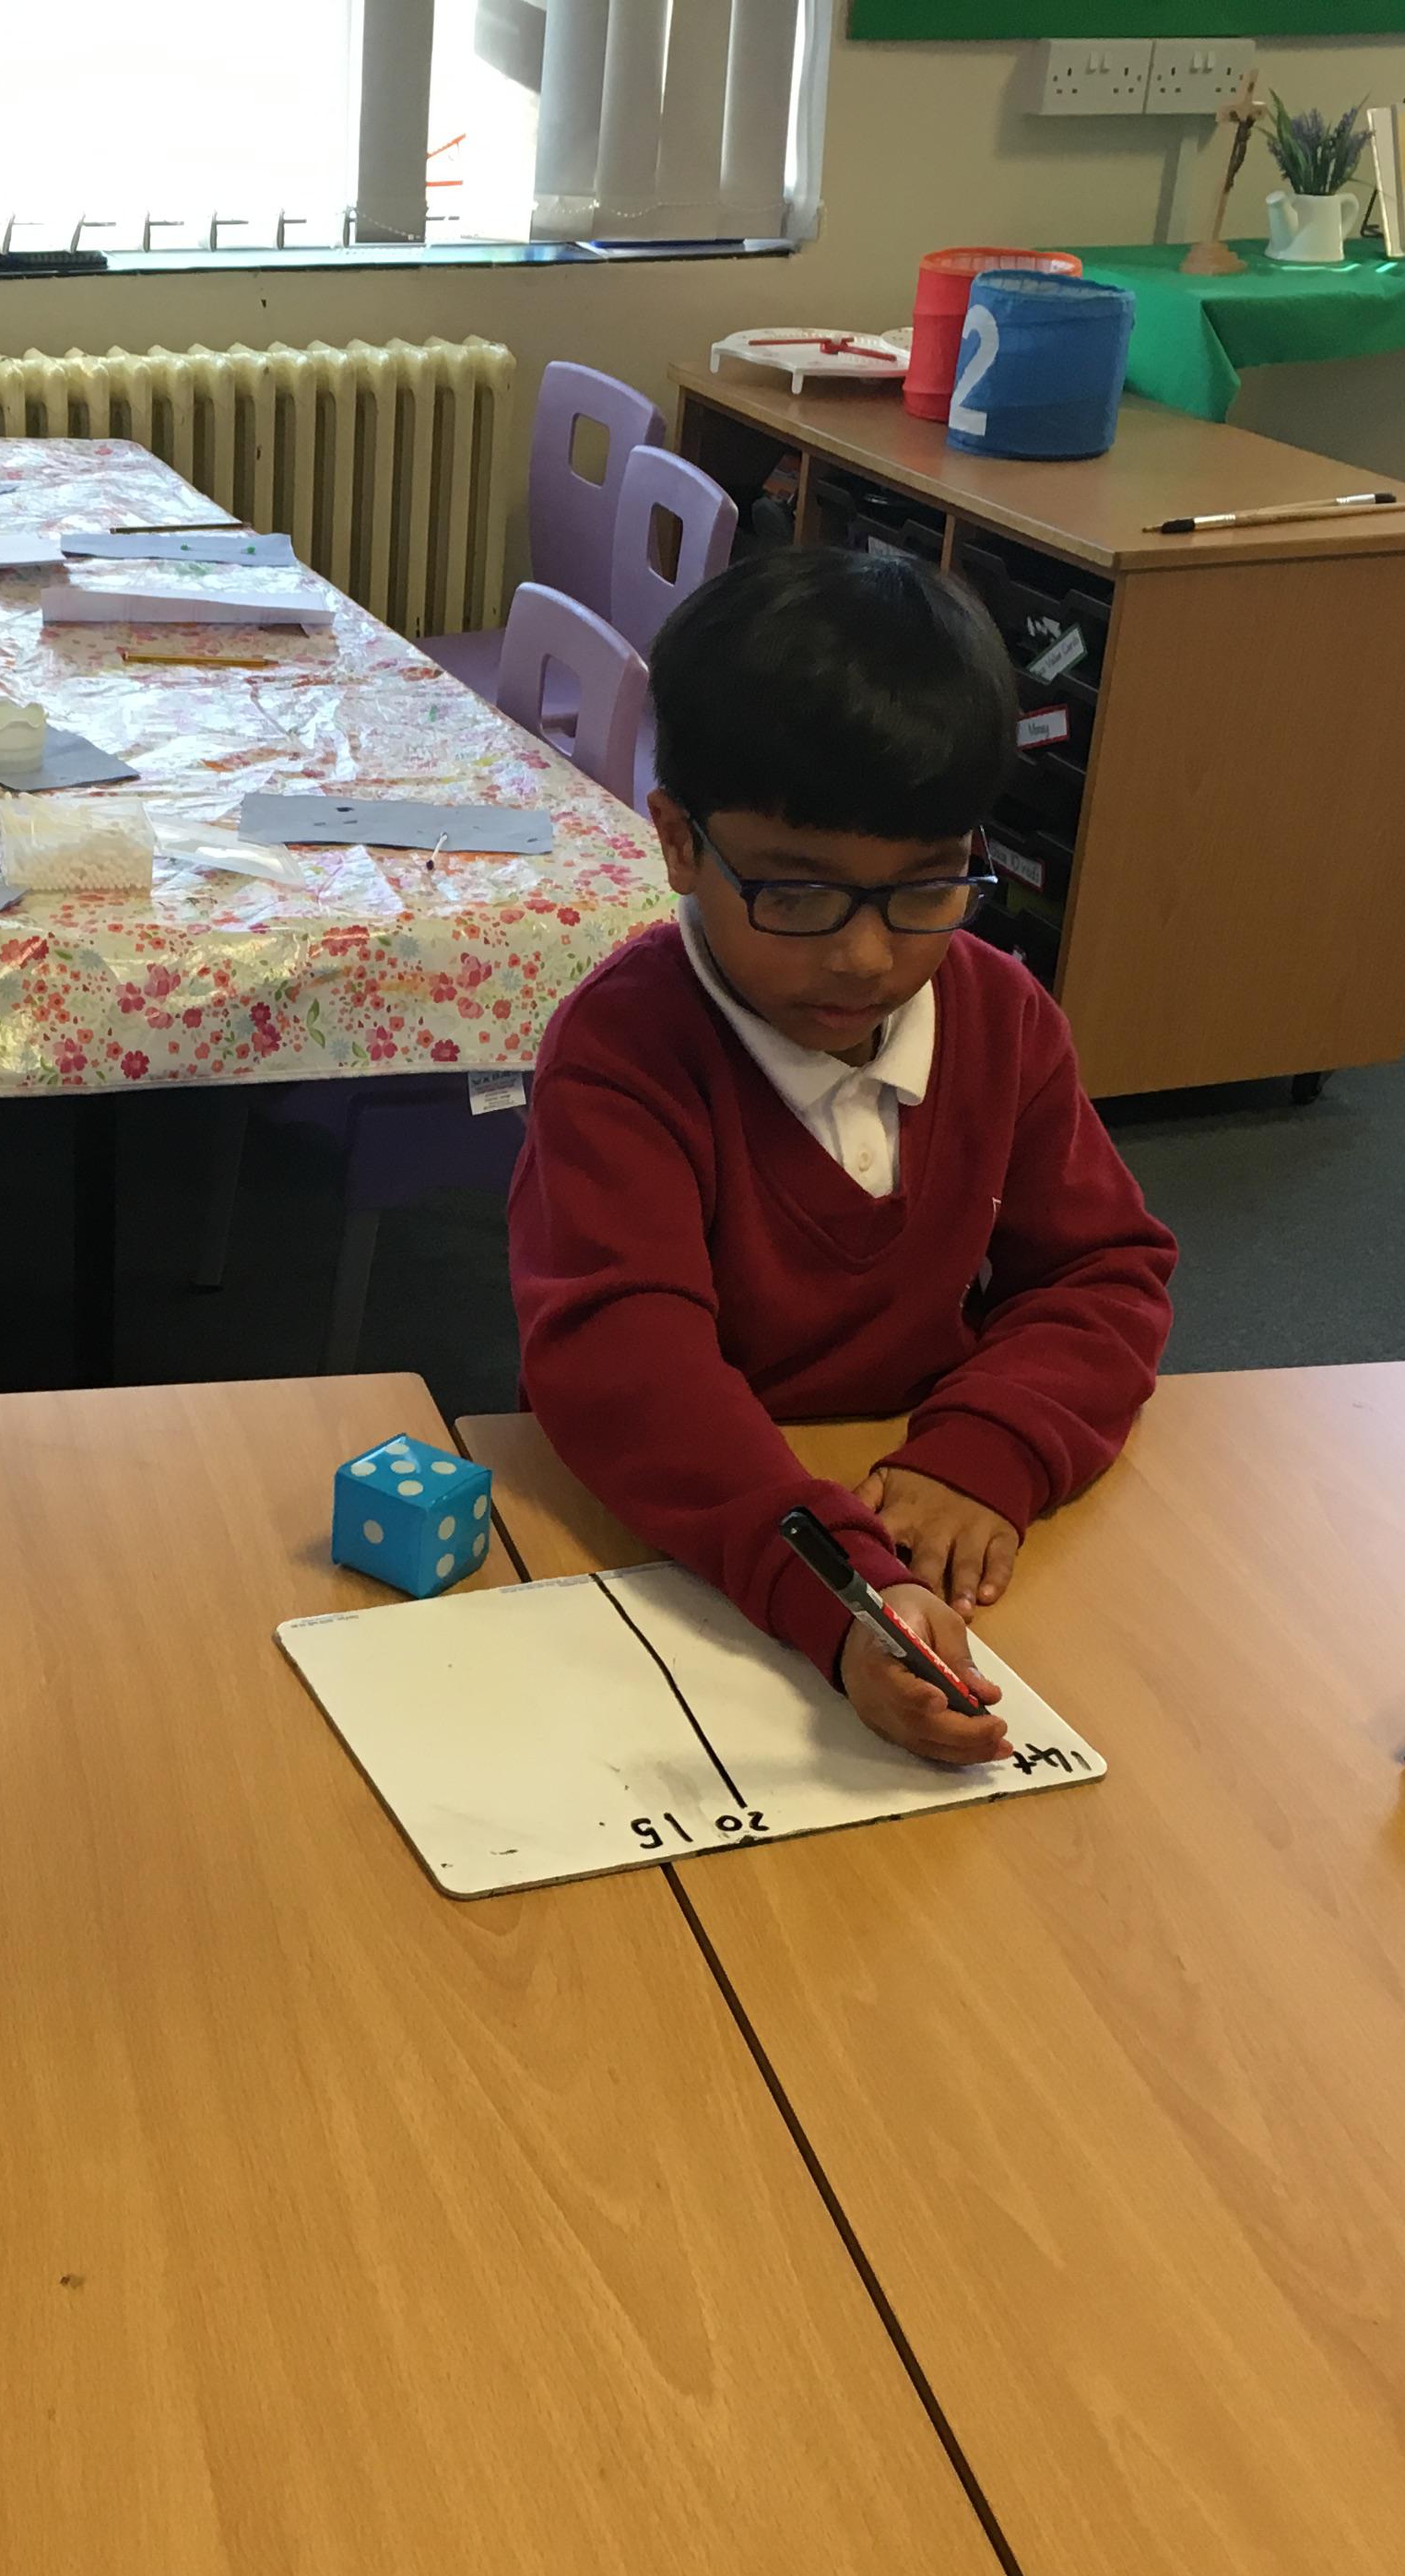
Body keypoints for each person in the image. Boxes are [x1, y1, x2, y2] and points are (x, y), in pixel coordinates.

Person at [508, 548, 1175, 1766]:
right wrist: (841, 1589)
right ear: (679, 843)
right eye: (798, 895)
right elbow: (625, 1364)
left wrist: (988, 1449)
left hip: (925, 1509)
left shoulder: (1002, 1017)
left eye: (926, 889)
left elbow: (1101, 1272)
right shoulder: (622, 1050)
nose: (867, 958)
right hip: (700, 1533)